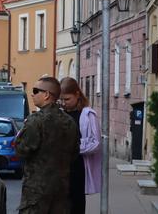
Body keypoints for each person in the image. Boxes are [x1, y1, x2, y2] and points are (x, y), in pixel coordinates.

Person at [15, 76, 79, 214]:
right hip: (61, 192)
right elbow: (75, 153)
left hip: (36, 193)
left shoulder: (36, 121)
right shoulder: (69, 122)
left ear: (46, 95)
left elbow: (20, 150)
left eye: (36, 90)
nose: (32, 94)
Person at [60, 77, 102, 214]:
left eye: (67, 99)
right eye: (61, 99)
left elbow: (95, 143)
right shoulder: (60, 114)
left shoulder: (88, 114)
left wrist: (73, 148)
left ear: (77, 94)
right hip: (60, 168)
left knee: (76, 205)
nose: (64, 103)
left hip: (78, 168)